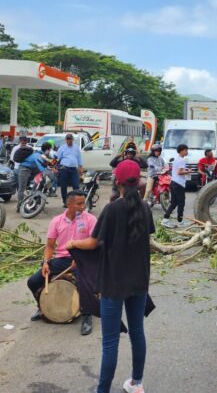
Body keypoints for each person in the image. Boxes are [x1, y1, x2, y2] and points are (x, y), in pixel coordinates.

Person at [67, 160, 155, 393]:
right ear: (138, 182)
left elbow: (94, 242)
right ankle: (137, 383)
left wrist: (74, 242)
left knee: (110, 342)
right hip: (139, 281)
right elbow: (146, 241)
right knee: (137, 332)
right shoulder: (145, 208)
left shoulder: (112, 209)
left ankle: (102, 390)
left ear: (118, 181)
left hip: (113, 283)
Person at [27, 190, 97, 335]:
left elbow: (94, 245)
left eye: (84, 203)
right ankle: (43, 307)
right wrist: (46, 262)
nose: (83, 206)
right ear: (68, 204)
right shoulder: (56, 221)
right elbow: (50, 246)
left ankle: (87, 315)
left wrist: (80, 259)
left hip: (83, 259)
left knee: (83, 283)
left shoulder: (90, 219)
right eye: (79, 204)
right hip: (61, 259)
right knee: (33, 281)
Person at [162, 144, 191, 228]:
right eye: (186, 150)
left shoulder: (177, 159)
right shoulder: (182, 160)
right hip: (178, 184)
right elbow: (179, 172)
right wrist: (188, 171)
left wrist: (185, 170)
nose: (187, 152)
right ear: (182, 151)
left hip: (173, 183)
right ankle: (180, 220)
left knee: (174, 203)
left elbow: (178, 171)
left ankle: (165, 219)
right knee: (181, 202)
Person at [17, 144, 48, 208]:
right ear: (48, 150)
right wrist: (45, 171)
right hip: (24, 169)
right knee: (21, 188)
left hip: (32, 169)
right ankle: (19, 206)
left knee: (40, 180)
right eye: (49, 150)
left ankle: (32, 193)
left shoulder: (43, 155)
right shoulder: (37, 155)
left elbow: (49, 161)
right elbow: (41, 166)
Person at [56, 133, 83, 208]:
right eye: (67, 139)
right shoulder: (62, 148)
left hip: (73, 169)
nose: (69, 140)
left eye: (70, 139)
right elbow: (57, 158)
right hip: (64, 169)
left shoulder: (76, 148)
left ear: (72, 140)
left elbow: (79, 158)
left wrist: (81, 168)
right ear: (65, 140)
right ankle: (65, 202)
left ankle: (76, 201)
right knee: (63, 186)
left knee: (76, 185)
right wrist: (54, 167)